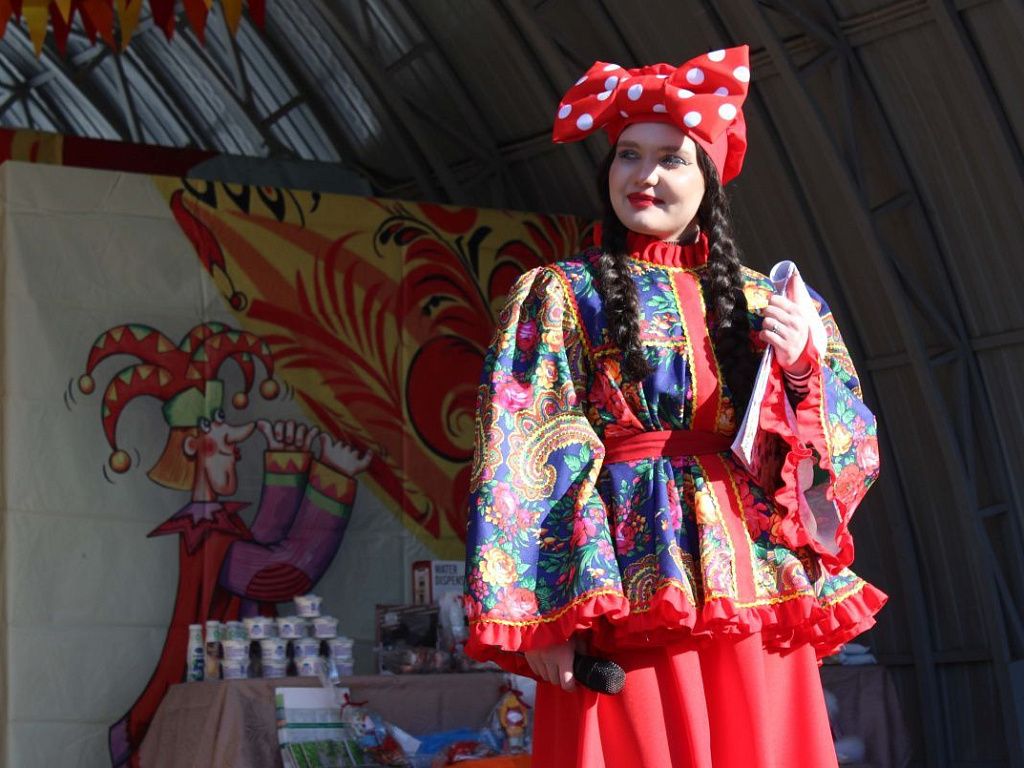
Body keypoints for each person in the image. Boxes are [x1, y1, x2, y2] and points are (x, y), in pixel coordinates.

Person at [463, 46, 887, 767]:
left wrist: (801, 371)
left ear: (709, 180)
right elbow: (520, 452)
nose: (646, 175)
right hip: (622, 591)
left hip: (753, 584)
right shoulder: (562, 295)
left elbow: (848, 458)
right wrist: (542, 614)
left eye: (672, 159)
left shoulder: (772, 301)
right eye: (628, 155)